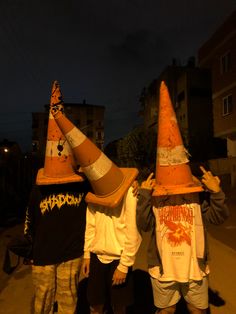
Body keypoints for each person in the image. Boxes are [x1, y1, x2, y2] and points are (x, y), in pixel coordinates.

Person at [136, 81, 229, 314]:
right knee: (165, 311)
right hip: (162, 268)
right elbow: (144, 224)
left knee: (196, 310)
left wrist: (216, 192)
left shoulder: (197, 195)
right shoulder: (156, 194)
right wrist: (145, 196)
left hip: (194, 266)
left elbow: (218, 218)